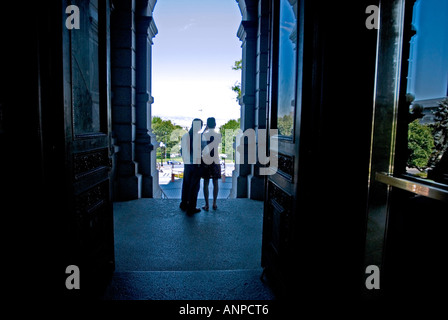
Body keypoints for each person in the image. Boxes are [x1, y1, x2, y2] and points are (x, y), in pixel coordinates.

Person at [180, 118, 203, 215]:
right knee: (194, 187)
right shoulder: (198, 137)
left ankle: (184, 203)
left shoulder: (185, 136)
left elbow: (181, 150)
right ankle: (191, 208)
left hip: (187, 164)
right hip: (195, 165)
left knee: (186, 184)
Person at [201, 117, 222, 211]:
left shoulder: (204, 135)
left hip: (206, 160)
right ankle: (214, 203)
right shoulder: (218, 135)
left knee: (206, 182)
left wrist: (205, 130)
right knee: (215, 182)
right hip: (216, 159)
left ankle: (207, 204)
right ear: (215, 124)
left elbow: (202, 146)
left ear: (207, 124)